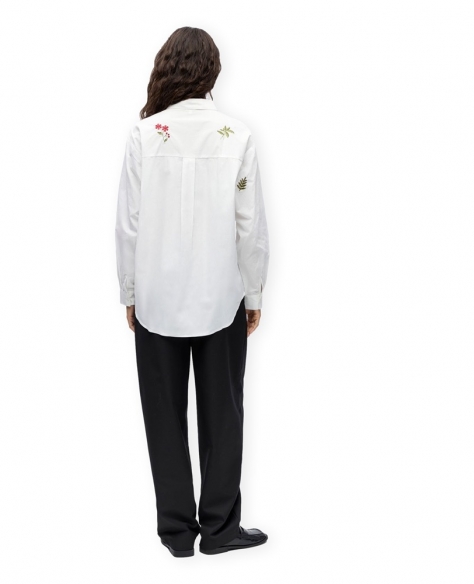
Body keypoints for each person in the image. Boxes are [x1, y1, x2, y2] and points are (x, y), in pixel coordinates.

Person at [114, 26, 270, 557]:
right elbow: (250, 225)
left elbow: (129, 225)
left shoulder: (144, 136)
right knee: (223, 414)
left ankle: (177, 533)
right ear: (212, 71)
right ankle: (221, 528)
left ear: (165, 67)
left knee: (162, 417)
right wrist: (253, 294)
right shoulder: (236, 135)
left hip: (156, 298)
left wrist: (130, 291)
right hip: (221, 295)